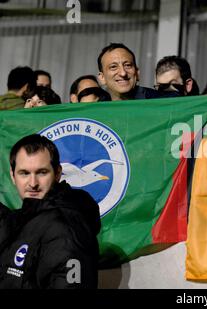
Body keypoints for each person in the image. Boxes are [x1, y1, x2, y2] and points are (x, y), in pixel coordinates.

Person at [0, 134, 100, 289]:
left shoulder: (65, 228)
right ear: (13, 176)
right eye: (24, 173)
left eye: (42, 172)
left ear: (58, 173)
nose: (33, 183)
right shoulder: (23, 220)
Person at [97, 43, 170, 101]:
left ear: (137, 73)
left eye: (128, 65)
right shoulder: (97, 108)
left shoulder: (161, 101)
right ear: (102, 78)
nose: (123, 73)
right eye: (113, 67)